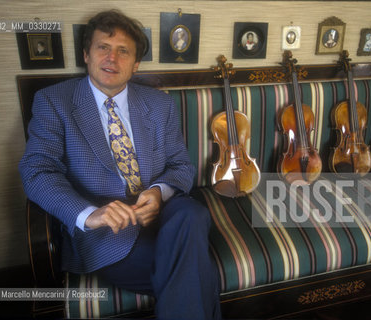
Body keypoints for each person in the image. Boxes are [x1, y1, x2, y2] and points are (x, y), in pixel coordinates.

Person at [19, 9, 221, 320]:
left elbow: (182, 164)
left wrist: (158, 192)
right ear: (86, 54)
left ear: (136, 64)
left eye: (123, 51)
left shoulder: (160, 104)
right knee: (192, 273)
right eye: (103, 47)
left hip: (165, 214)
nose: (112, 58)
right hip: (106, 231)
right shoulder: (54, 102)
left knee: (192, 213)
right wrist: (91, 215)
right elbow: (37, 171)